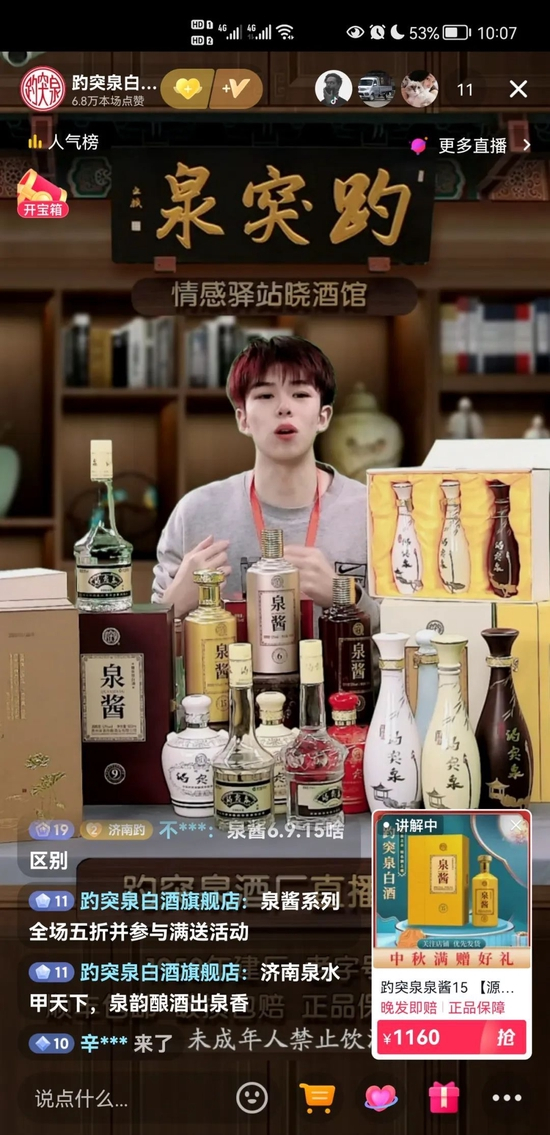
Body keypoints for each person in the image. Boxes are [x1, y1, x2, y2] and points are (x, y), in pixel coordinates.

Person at [152, 336, 379, 628]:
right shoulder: (195, 513)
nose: (284, 408)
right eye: (265, 396)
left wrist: (344, 595)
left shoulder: (372, 510)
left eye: (300, 394)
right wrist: (175, 603)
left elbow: (409, 632)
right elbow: (150, 643)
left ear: (323, 417)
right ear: (243, 419)